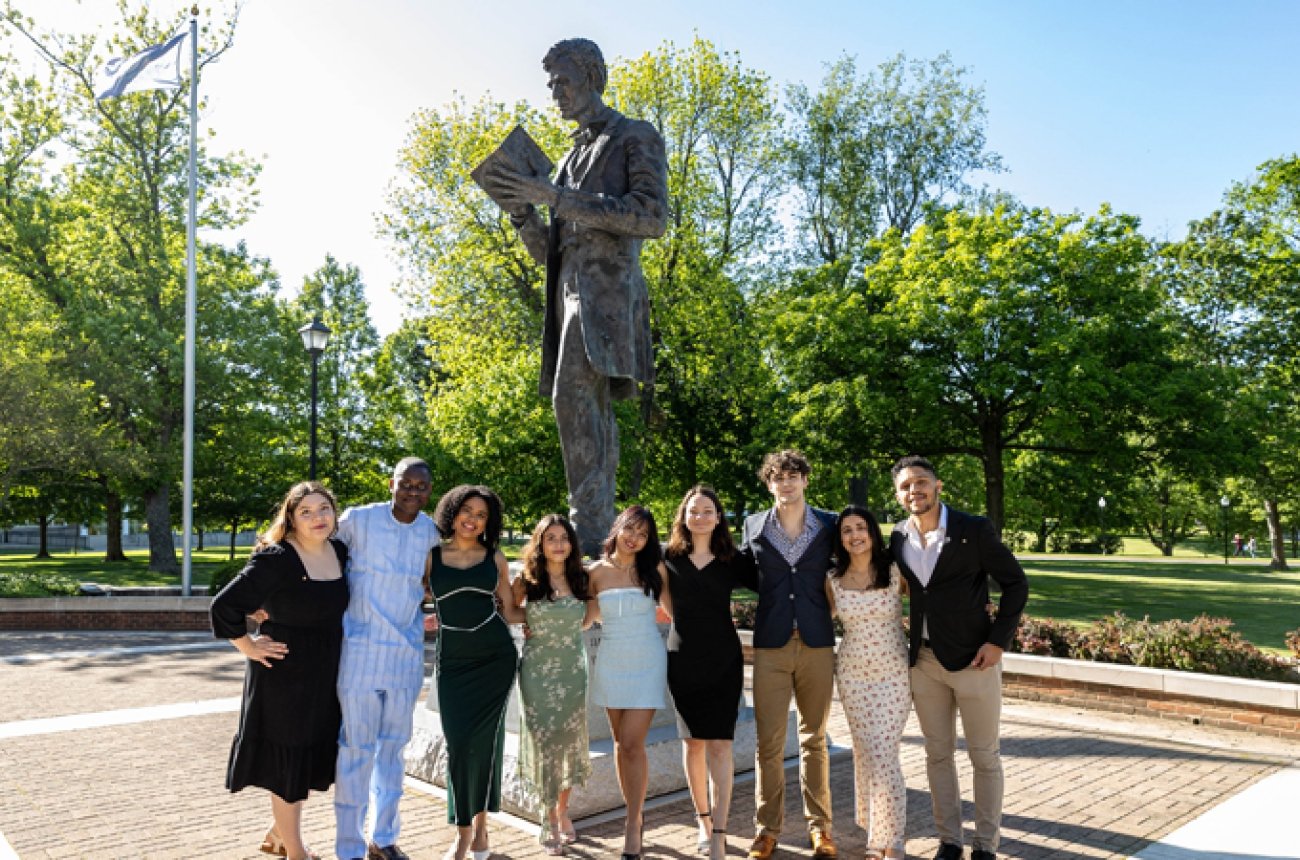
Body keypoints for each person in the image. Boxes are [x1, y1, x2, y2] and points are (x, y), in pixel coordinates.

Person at [491, 37, 669, 557]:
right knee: (572, 406)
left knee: (580, 403)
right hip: (566, 297)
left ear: (593, 76)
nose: (555, 92)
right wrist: (524, 214)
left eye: (562, 81)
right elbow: (553, 249)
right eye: (550, 84)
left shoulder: (633, 134)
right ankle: (595, 530)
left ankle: (593, 536)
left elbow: (650, 217)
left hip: (607, 300)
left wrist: (555, 197)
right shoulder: (569, 158)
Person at [889, 455, 1029, 860]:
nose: (914, 491)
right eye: (905, 486)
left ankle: (986, 845)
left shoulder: (973, 529)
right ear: (898, 495)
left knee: (984, 756)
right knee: (937, 754)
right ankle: (949, 841)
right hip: (925, 665)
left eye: (920, 482)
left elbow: (1016, 583)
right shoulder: (898, 537)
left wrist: (998, 641)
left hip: (974, 661)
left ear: (938, 486)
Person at [210, 481, 349, 860]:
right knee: (288, 761)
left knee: (305, 760)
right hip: (283, 675)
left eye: (324, 508)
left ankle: (277, 833)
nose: (317, 517)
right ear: (291, 518)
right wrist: (249, 646)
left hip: (325, 673)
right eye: (306, 511)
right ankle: (296, 852)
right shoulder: (278, 558)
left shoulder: (340, 550)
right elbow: (224, 606)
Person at [334, 457, 440, 860]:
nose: (413, 491)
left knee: (394, 751)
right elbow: (311, 545)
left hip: (406, 657)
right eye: (406, 483)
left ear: (430, 491)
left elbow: (434, 583)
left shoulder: (431, 531)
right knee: (355, 749)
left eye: (422, 486)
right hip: (358, 652)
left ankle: (384, 838)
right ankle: (348, 848)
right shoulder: (358, 520)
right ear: (391, 483)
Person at [739, 450, 839, 860]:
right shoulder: (752, 525)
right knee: (769, 744)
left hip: (816, 643)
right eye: (778, 477)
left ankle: (821, 830)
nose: (786, 482)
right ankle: (767, 830)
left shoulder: (830, 525)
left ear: (805, 481)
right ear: (768, 484)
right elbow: (747, 575)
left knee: (814, 739)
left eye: (793, 475)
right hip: (772, 646)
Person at [428, 485, 524, 860]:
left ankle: (472, 834)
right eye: (467, 510)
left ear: (489, 522)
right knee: (458, 746)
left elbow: (513, 611)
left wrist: (558, 615)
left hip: (494, 659)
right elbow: (403, 597)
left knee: (484, 744)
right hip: (453, 662)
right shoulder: (431, 557)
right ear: (452, 512)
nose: (473, 519)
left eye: (482, 515)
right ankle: (467, 827)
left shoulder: (495, 558)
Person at [663, 485, 755, 860]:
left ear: (719, 518)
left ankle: (719, 829)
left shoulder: (733, 559)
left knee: (721, 744)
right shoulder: (667, 557)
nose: (699, 516)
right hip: (682, 659)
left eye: (707, 511)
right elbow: (665, 602)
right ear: (683, 516)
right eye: (693, 510)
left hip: (723, 660)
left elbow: (777, 585)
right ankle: (702, 821)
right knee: (692, 744)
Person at [824, 506, 908, 860]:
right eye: (847, 530)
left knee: (883, 753)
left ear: (873, 532)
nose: (854, 535)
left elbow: (930, 601)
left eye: (861, 528)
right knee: (865, 754)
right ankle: (876, 832)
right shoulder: (832, 579)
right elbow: (820, 619)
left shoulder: (894, 571)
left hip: (893, 674)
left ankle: (892, 842)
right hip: (853, 674)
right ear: (840, 538)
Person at [588, 504, 672, 860]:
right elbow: (585, 618)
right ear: (617, 528)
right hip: (610, 661)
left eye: (642, 534)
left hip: (647, 660)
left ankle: (632, 823)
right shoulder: (595, 573)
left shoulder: (655, 569)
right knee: (621, 745)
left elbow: (677, 613)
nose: (634, 538)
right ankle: (633, 815)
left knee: (633, 743)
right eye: (630, 529)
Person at [512, 514, 599, 856]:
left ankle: (562, 813)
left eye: (564, 537)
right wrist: (532, 622)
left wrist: (565, 629)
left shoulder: (583, 578)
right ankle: (546, 817)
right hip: (536, 672)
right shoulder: (527, 579)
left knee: (566, 742)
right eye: (551, 538)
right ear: (540, 543)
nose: (559, 544)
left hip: (572, 672)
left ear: (572, 544)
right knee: (544, 742)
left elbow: (589, 618)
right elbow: (508, 612)